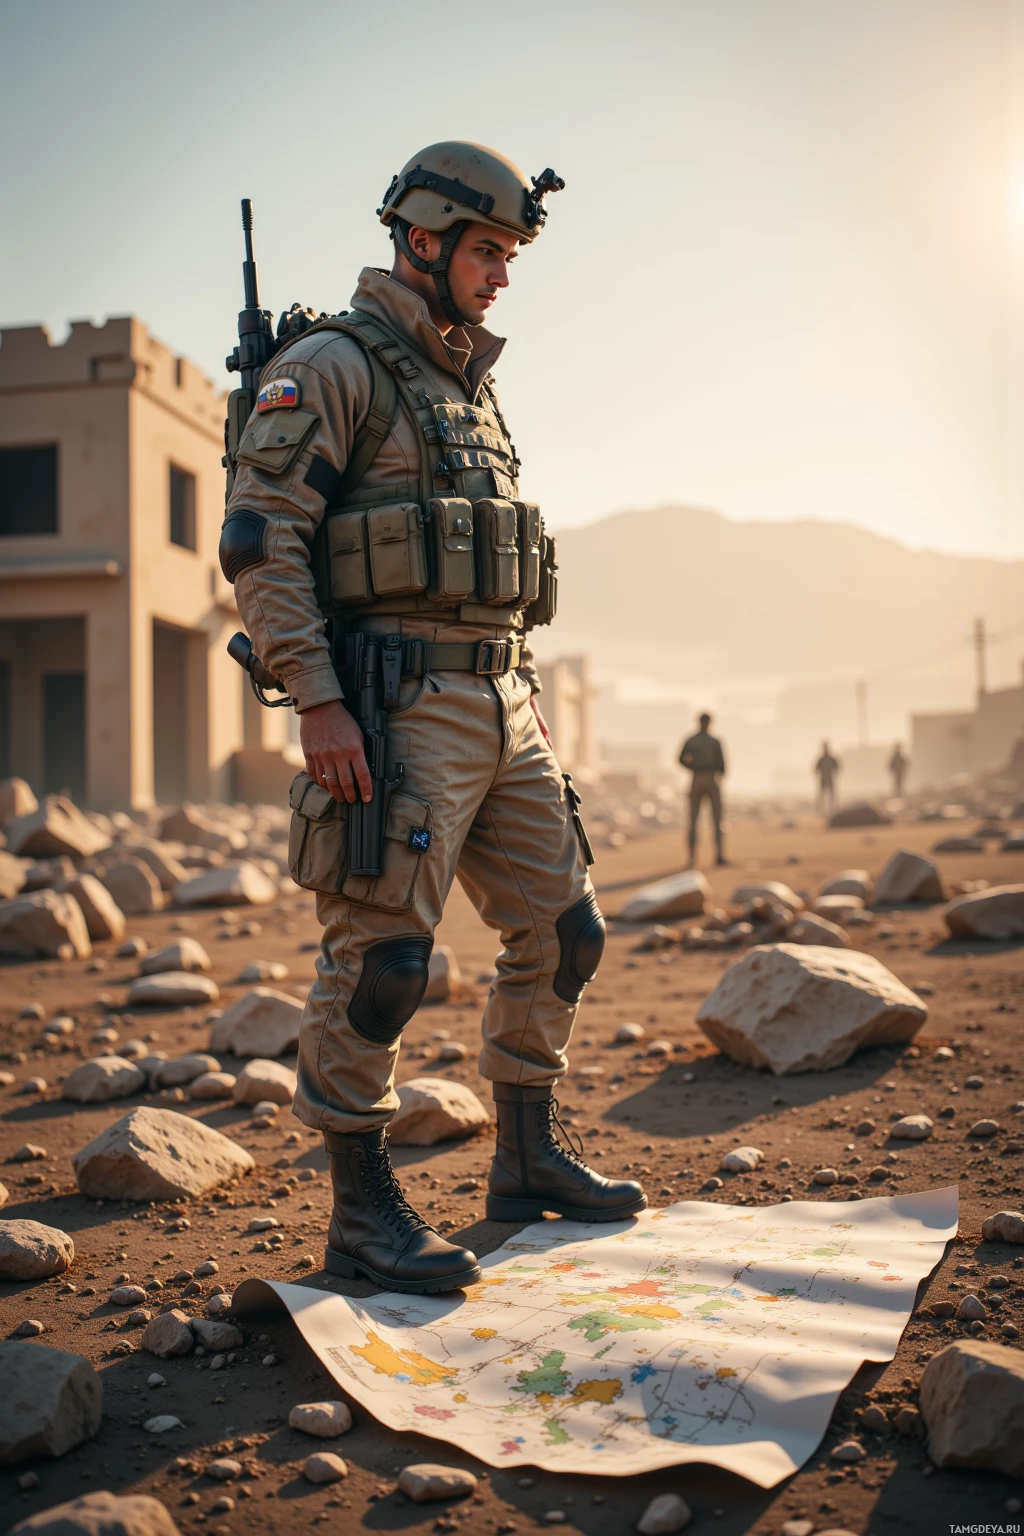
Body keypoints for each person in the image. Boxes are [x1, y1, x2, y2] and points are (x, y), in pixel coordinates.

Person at [219, 142, 646, 1295]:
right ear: (422, 236)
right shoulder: (331, 366)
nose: (501, 274)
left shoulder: (466, 381)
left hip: (503, 701)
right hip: (392, 706)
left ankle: (524, 1157)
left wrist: (522, 697)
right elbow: (261, 542)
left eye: (509, 254)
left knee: (566, 932)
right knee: (386, 959)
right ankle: (362, 1212)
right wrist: (316, 701)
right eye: (487, 250)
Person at [679, 712, 727, 866]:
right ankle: (695, 856)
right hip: (704, 778)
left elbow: (681, 759)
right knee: (701, 819)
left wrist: (692, 767)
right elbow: (723, 764)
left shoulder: (695, 740)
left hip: (702, 778)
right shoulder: (711, 741)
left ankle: (716, 855)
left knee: (711, 819)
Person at [814, 740, 840, 815]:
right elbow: (816, 769)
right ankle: (821, 810)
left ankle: (832, 810)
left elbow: (837, 767)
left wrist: (834, 772)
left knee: (832, 796)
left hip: (829, 778)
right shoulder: (821, 759)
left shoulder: (831, 758)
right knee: (822, 796)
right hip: (823, 779)